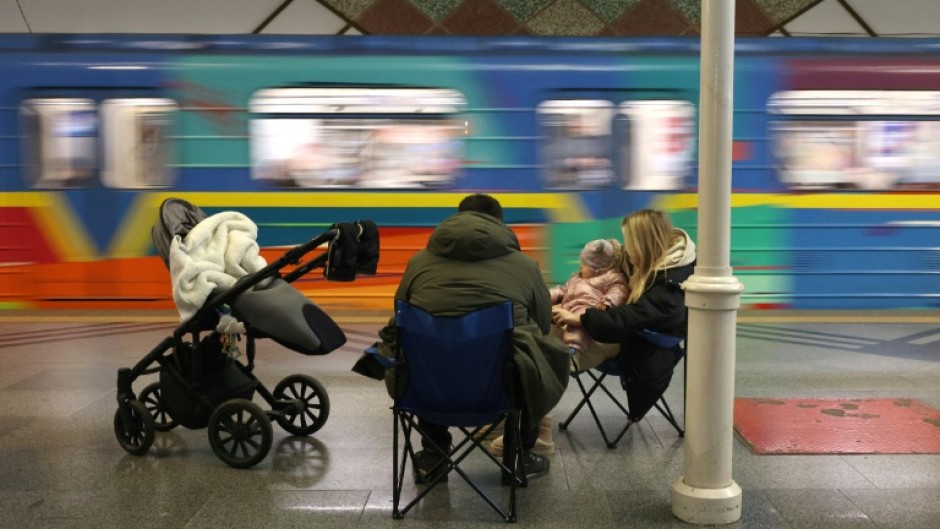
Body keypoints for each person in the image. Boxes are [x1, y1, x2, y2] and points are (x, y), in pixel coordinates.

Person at [375, 193, 570, 483]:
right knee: (538, 353)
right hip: (498, 391)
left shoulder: (418, 262)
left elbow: (400, 315)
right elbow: (541, 324)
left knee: (425, 351)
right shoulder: (524, 265)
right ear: (499, 225)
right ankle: (518, 457)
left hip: (427, 394)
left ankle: (434, 454)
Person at [551, 208, 696, 421]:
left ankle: (534, 426)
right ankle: (522, 419)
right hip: (618, 332)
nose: (626, 249)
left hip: (639, 350)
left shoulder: (671, 282)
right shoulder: (644, 261)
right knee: (542, 339)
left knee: (547, 356)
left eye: (629, 242)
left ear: (642, 244)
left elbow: (635, 317)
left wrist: (581, 318)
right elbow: (604, 259)